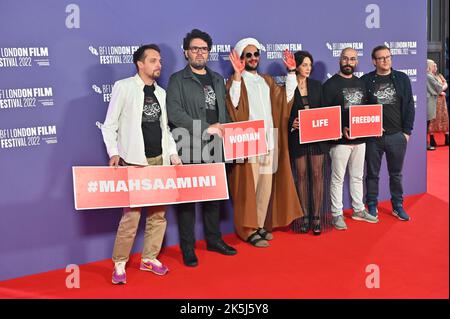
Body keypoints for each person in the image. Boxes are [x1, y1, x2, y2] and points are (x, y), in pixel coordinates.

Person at [101, 44, 182, 284]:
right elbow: (110, 124)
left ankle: (149, 258)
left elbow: (164, 128)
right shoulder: (124, 87)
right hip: (135, 162)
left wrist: (173, 153)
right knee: (131, 216)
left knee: (158, 214)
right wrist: (114, 152)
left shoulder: (161, 93)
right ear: (140, 64)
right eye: (153, 60)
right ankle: (119, 263)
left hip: (159, 160)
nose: (159, 64)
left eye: (160, 61)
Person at [166, 29, 237, 267]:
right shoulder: (177, 79)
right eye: (195, 48)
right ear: (186, 51)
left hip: (216, 146)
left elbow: (224, 113)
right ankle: (188, 248)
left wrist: (225, 131)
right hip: (190, 146)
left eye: (204, 49)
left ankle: (214, 240)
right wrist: (207, 128)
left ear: (208, 52)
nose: (199, 52)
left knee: (214, 198)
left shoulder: (217, 79)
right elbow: (175, 114)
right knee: (188, 201)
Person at [225, 38, 303, 247]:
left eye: (255, 54)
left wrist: (291, 72)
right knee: (249, 190)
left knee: (264, 189)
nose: (252, 58)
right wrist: (237, 75)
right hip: (248, 142)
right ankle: (246, 230)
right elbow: (234, 104)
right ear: (241, 58)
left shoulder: (266, 80)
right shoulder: (235, 81)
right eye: (247, 55)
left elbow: (285, 99)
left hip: (269, 143)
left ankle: (259, 225)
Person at [323, 47, 378, 230]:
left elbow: (366, 111)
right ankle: (337, 214)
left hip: (360, 139)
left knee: (357, 177)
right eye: (345, 59)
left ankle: (358, 209)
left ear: (356, 62)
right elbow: (325, 115)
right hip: (339, 142)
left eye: (352, 59)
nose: (349, 62)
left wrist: (373, 125)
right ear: (340, 60)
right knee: (337, 179)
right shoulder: (330, 85)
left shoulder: (361, 83)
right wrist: (339, 129)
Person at [362, 45, 415, 221]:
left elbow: (409, 106)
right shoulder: (366, 80)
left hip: (396, 136)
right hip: (373, 138)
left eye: (388, 57)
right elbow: (359, 110)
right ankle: (371, 205)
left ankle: (397, 205)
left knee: (396, 174)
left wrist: (406, 133)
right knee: (372, 174)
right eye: (381, 58)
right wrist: (369, 127)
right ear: (374, 61)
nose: (386, 60)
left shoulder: (401, 78)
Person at [288, 50, 332, 235]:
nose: (308, 68)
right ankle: (304, 216)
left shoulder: (316, 86)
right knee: (302, 175)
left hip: (317, 137)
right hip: (298, 138)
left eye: (309, 65)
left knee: (317, 175)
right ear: (296, 66)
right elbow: (282, 111)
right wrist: (292, 122)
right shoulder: (288, 87)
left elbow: (324, 110)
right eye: (304, 65)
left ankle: (316, 217)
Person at [427, 59, 449, 148]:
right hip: (434, 101)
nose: (435, 67)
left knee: (444, 119)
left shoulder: (439, 75)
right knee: (432, 121)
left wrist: (442, 88)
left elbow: (444, 84)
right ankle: (431, 139)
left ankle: (446, 137)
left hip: (441, 101)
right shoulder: (429, 76)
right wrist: (440, 90)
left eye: (436, 66)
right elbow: (438, 87)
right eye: (433, 65)